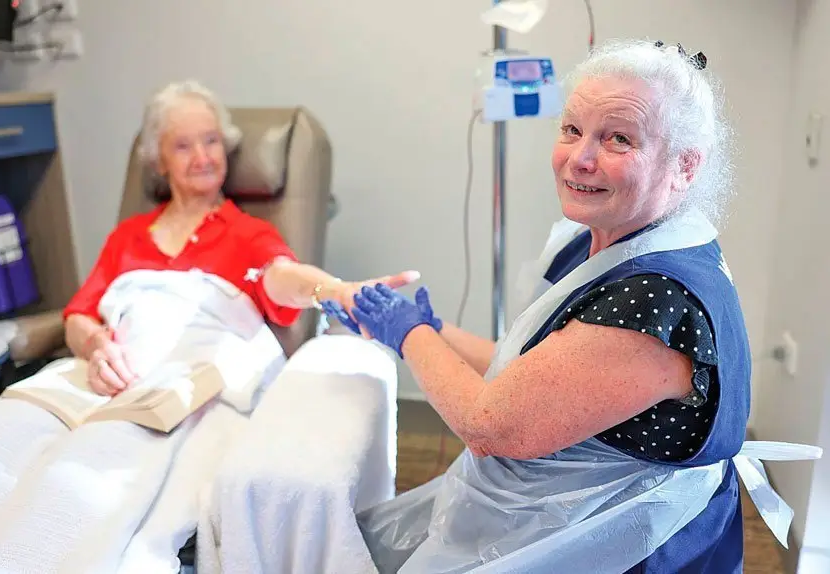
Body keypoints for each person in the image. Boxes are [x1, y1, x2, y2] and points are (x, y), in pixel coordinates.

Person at [325, 39, 816, 573]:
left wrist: (408, 333)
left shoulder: (654, 300)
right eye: (571, 129)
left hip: (624, 544)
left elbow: (492, 425)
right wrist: (433, 330)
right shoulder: (609, 239)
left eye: (618, 139)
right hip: (565, 517)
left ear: (684, 166)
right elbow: (536, 375)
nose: (580, 158)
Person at [0, 79, 416, 572]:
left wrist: (335, 292)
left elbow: (281, 277)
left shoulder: (248, 232)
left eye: (210, 142)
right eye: (183, 145)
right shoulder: (129, 236)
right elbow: (80, 313)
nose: (202, 156)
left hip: (182, 383)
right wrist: (96, 345)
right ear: (159, 162)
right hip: (98, 377)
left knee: (82, 479)